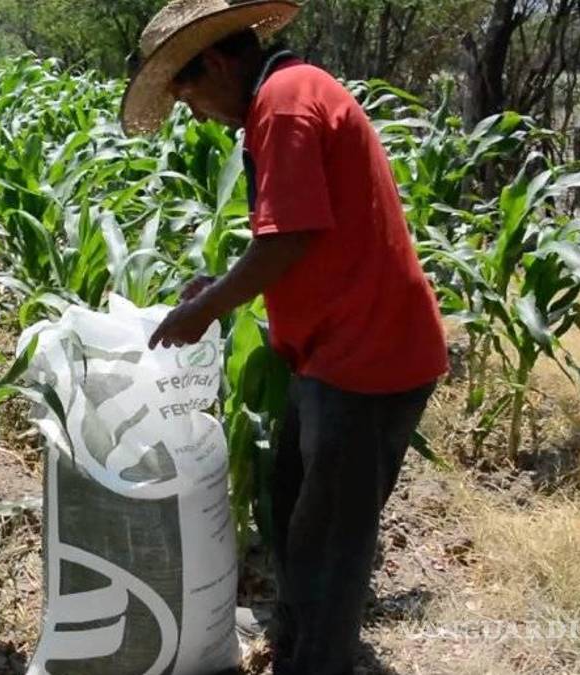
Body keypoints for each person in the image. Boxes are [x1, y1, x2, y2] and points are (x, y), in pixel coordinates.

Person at [121, 1, 450, 674]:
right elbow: (300, 237)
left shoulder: (284, 103)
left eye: (189, 98)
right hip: (335, 350)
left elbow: (289, 238)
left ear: (216, 63)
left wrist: (208, 307)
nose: (197, 116)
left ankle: (317, 661)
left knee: (331, 543)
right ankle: (297, 644)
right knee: (295, 504)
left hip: (367, 358)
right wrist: (220, 284)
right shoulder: (288, 94)